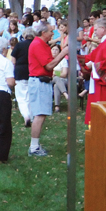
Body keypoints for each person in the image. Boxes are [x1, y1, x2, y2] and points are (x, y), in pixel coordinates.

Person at [28, 21, 69, 156]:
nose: (53, 33)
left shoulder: (42, 44)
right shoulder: (38, 44)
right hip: (39, 82)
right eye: (51, 31)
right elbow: (49, 65)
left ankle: (35, 145)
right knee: (39, 115)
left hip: (43, 81)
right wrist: (63, 53)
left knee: (41, 114)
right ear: (43, 32)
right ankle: (34, 147)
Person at [11, 27, 36, 127]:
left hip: (20, 71)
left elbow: (13, 61)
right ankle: (32, 116)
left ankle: (26, 116)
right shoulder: (36, 45)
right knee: (31, 95)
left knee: (21, 96)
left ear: (24, 35)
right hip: (32, 71)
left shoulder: (19, 45)